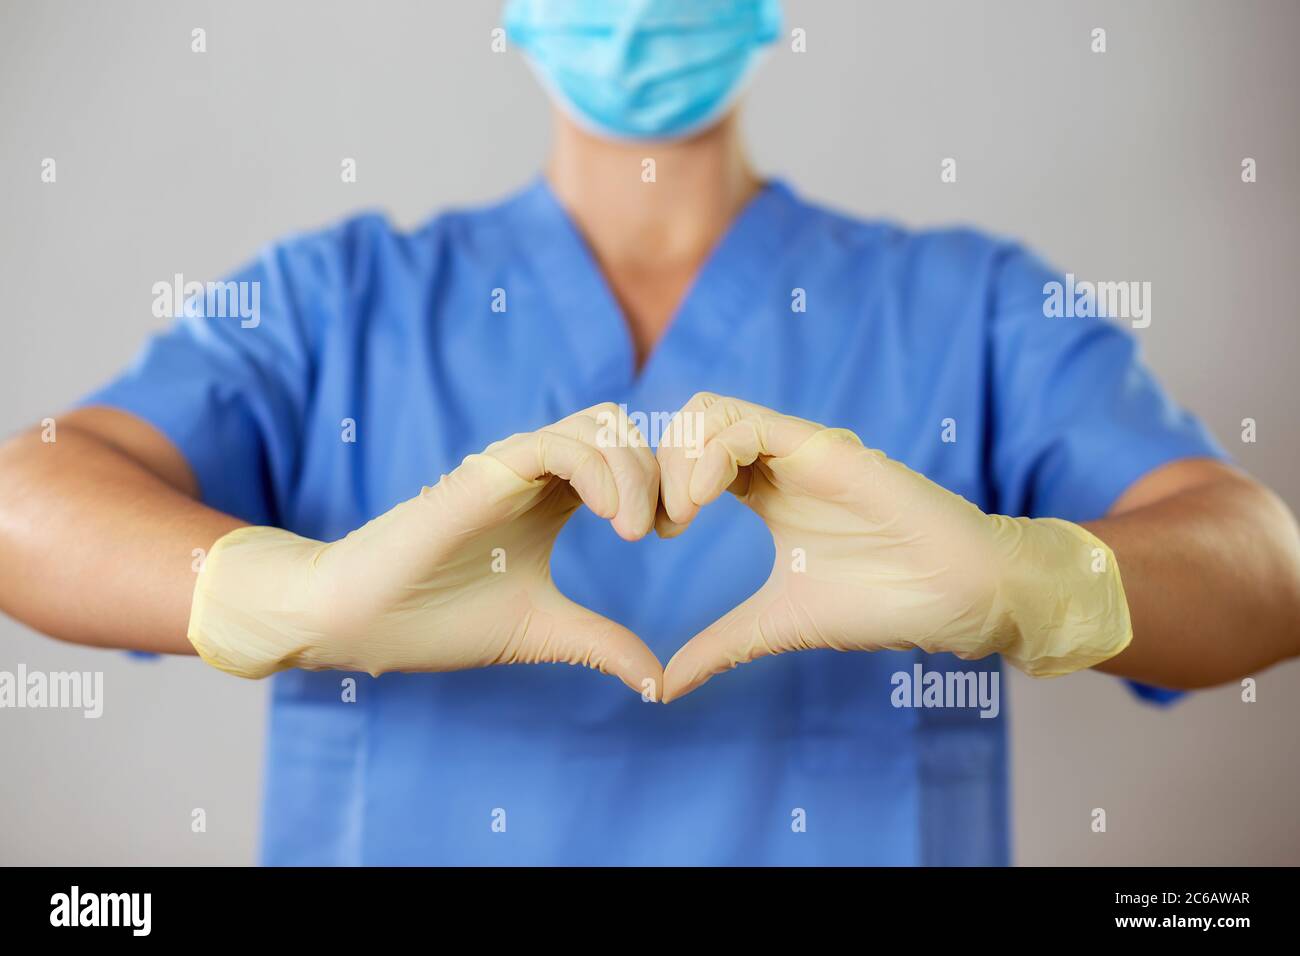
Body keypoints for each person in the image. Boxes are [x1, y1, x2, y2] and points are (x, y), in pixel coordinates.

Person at [1, 0, 1297, 866]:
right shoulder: (333, 303)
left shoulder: (970, 307)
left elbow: (1266, 568)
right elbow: (31, 501)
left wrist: (1037, 584)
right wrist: (296, 593)